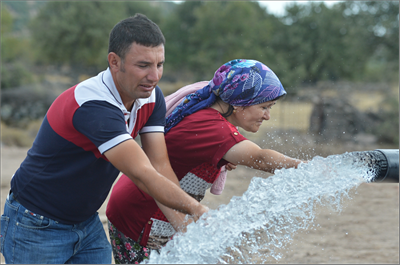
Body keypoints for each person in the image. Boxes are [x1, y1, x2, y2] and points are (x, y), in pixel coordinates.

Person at [0, 14, 208, 264]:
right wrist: (198, 211)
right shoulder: (93, 104)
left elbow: (160, 167)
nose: (154, 76)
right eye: (143, 65)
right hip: (36, 222)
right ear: (114, 61)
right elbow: (142, 175)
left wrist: (183, 226)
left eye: (159, 64)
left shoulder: (151, 96)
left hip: (86, 222)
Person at [106, 59, 305, 263]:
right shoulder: (212, 127)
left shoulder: (207, 113)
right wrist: (307, 169)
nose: (268, 116)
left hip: (155, 206)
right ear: (238, 103)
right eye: (264, 107)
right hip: (141, 215)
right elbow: (260, 159)